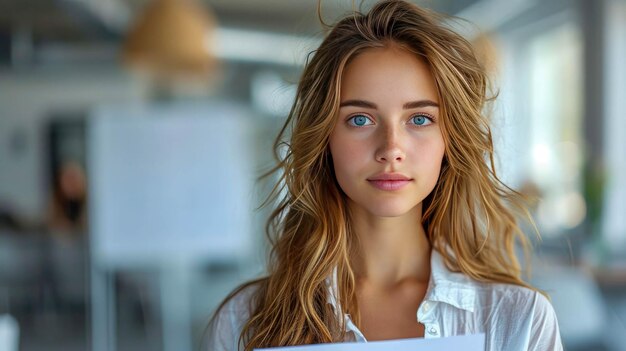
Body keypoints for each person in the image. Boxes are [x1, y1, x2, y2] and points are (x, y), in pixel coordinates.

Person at [205, 1, 563, 350]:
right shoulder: (244, 319)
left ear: (449, 141)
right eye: (360, 119)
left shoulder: (519, 319)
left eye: (419, 119)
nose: (391, 148)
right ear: (324, 138)